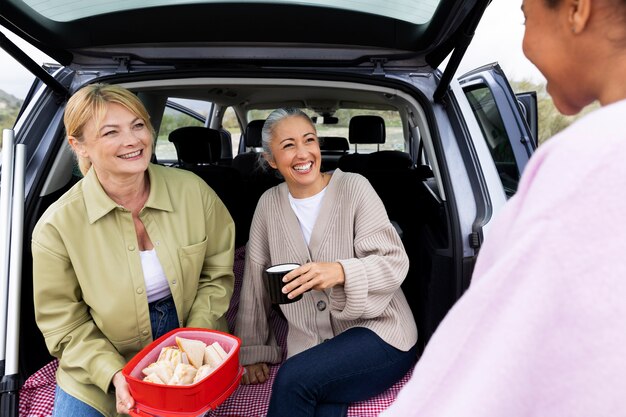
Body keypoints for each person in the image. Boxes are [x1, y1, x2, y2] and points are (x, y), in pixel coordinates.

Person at [381, 0, 626, 416]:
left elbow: (485, 372)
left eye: (526, 17)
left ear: (577, 9)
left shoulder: (590, 160)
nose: (525, 43)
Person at [31, 84, 236, 417]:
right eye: (111, 132)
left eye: (138, 125)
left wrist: (192, 343)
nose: (132, 140)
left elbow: (217, 274)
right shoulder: (56, 227)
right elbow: (64, 325)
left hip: (188, 333)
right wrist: (112, 373)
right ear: (78, 145)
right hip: (100, 352)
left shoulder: (194, 192)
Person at [234, 108, 418, 417]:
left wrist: (343, 271)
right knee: (320, 399)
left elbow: (393, 262)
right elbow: (255, 279)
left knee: (293, 380)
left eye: (309, 140)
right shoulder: (268, 204)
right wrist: (252, 351)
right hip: (310, 343)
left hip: (380, 331)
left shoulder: (355, 188)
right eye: (289, 145)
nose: (303, 152)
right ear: (271, 160)